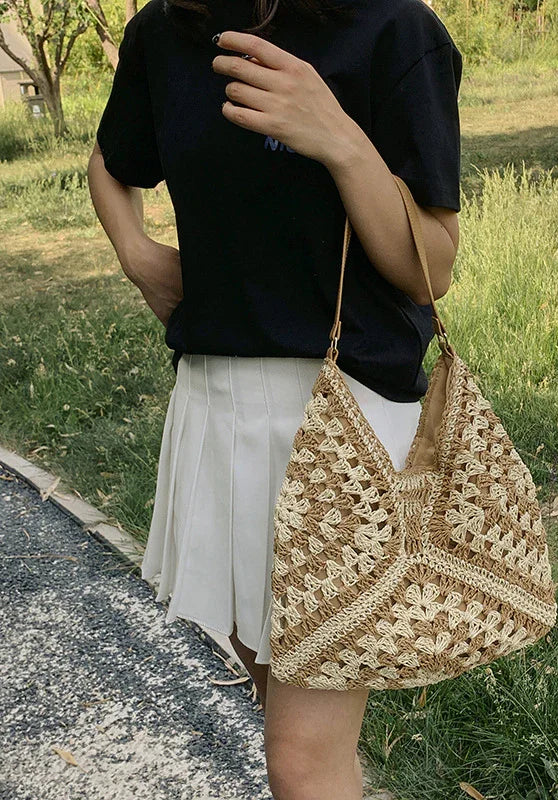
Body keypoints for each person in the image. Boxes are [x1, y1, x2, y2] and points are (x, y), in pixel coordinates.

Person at [87, 1, 461, 797]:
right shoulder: (167, 30)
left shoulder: (391, 27)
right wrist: (136, 253)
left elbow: (431, 263)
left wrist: (338, 138)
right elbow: (112, 161)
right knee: (283, 715)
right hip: (215, 407)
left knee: (300, 758)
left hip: (340, 421)